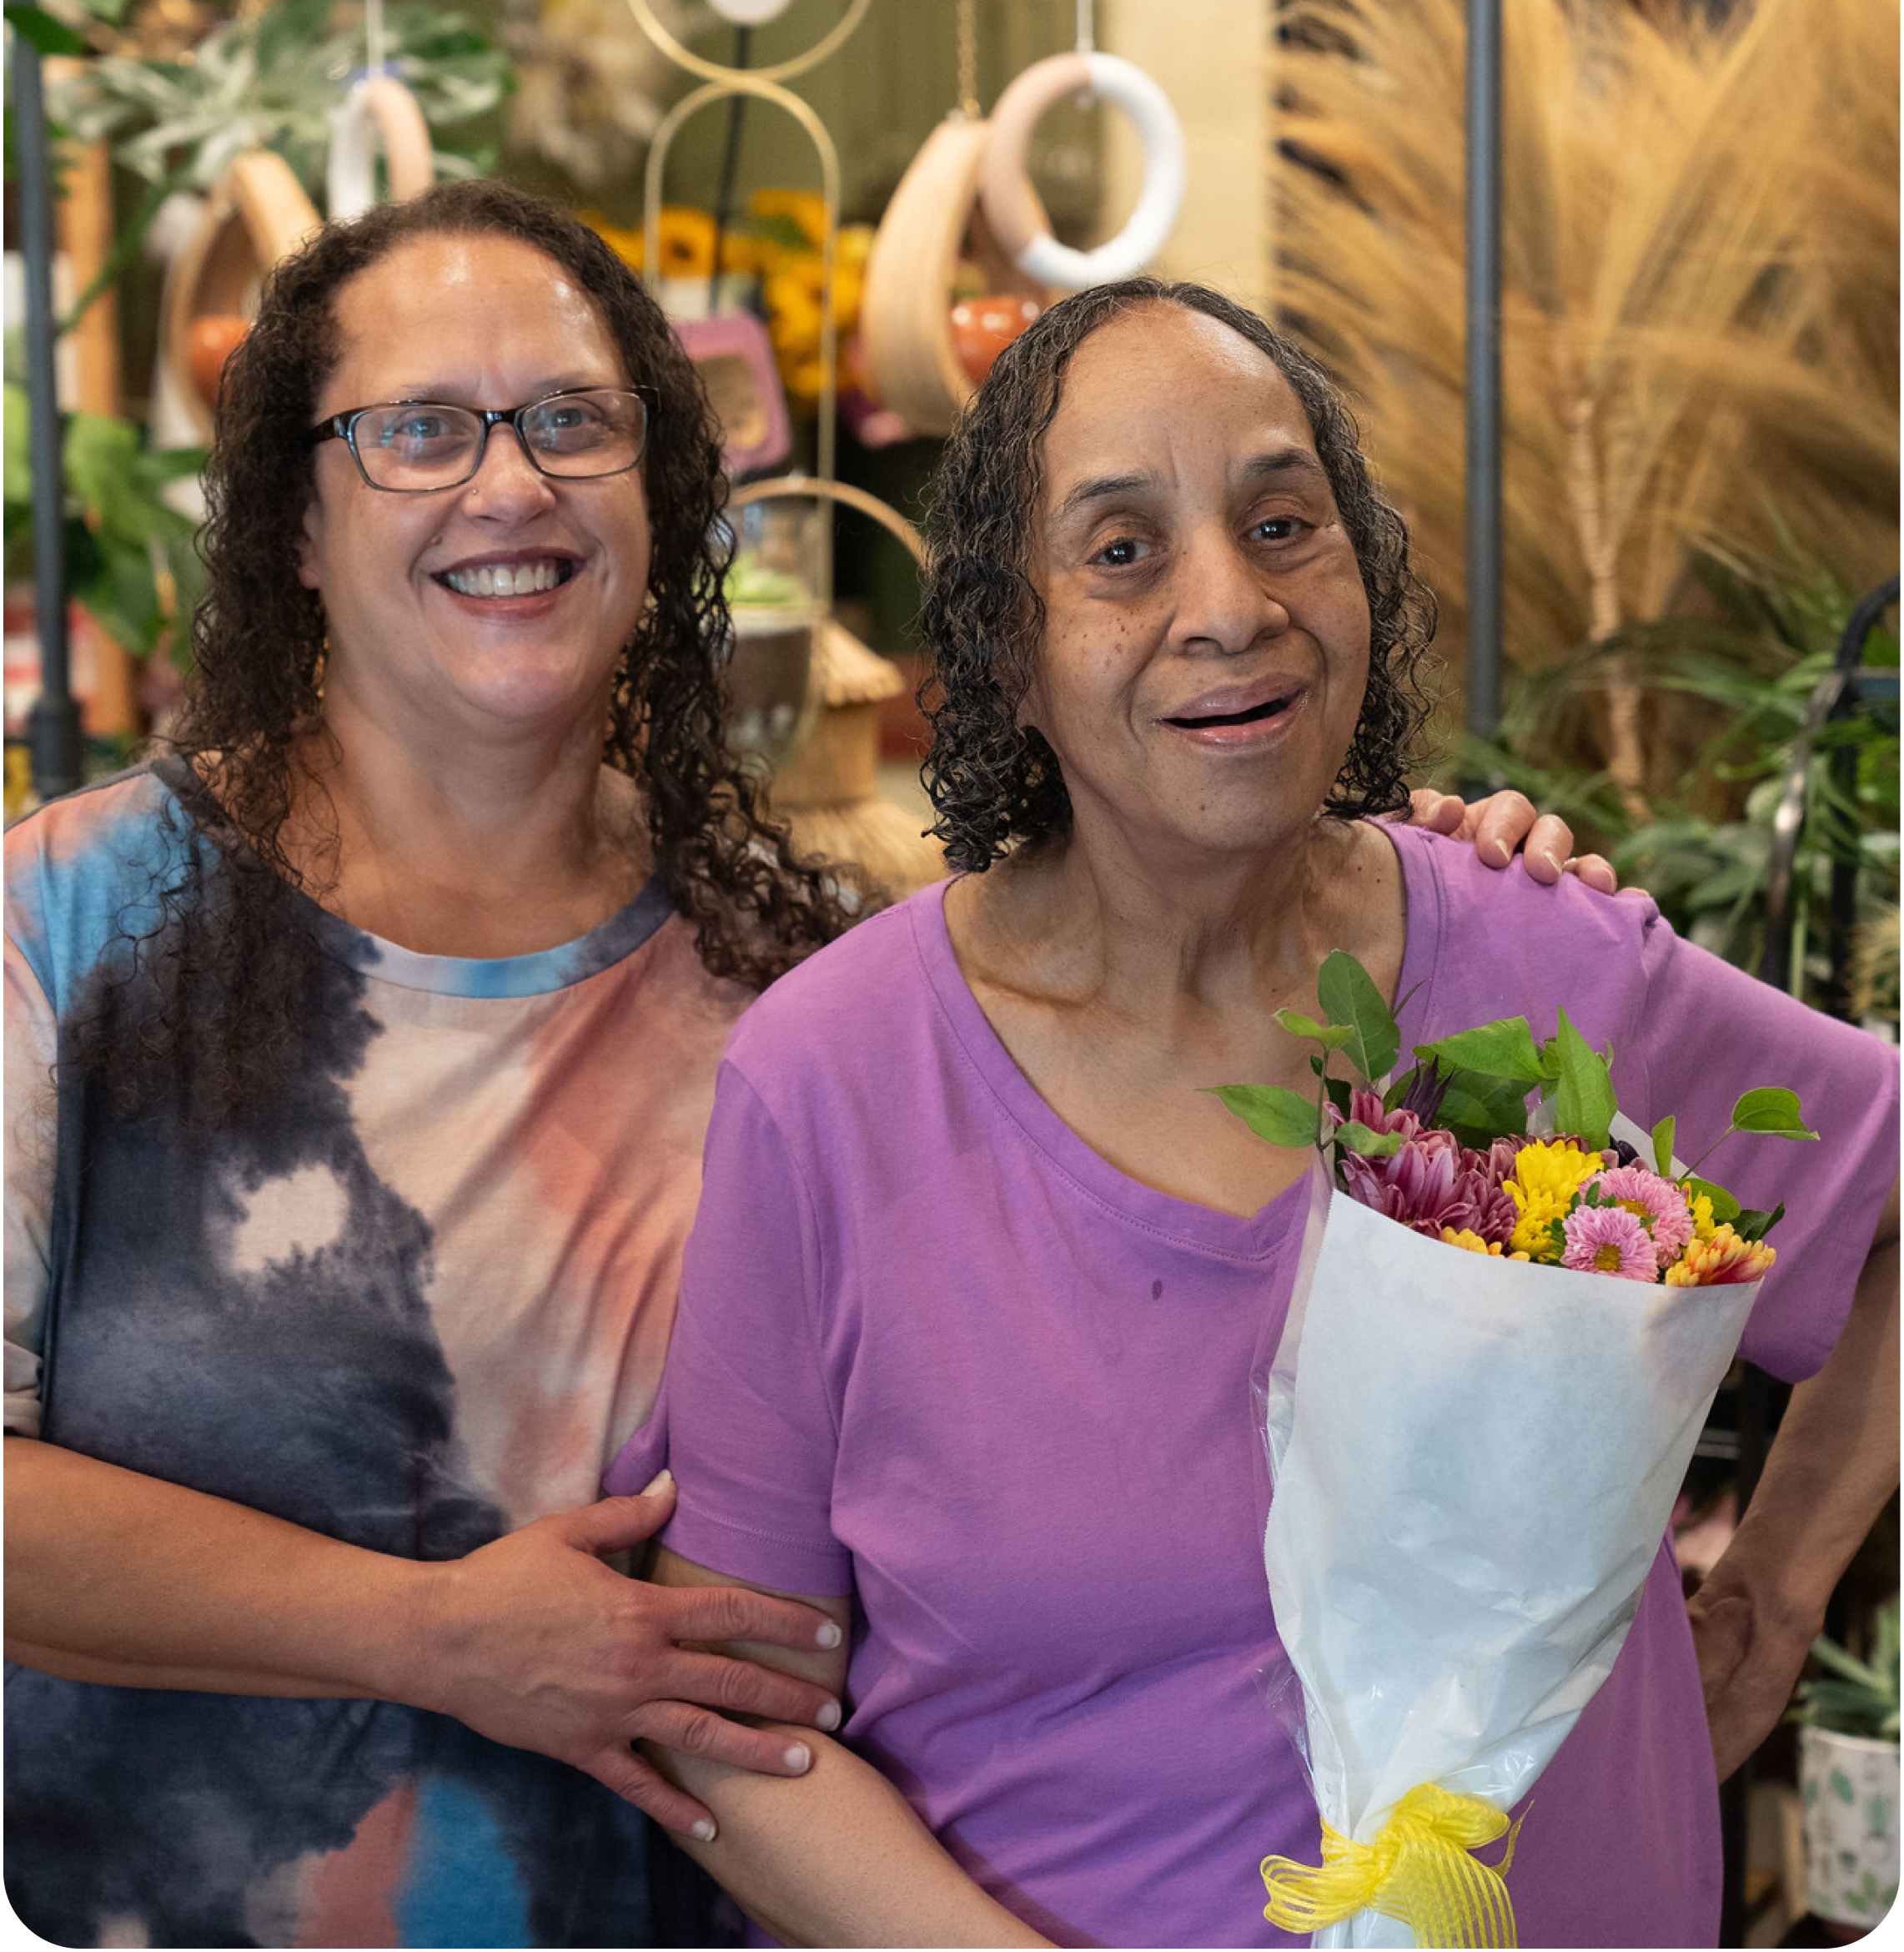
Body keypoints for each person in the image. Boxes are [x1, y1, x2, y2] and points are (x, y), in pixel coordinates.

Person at [1, 190, 1588, 1949]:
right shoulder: (66, 926)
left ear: (664, 494)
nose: (510, 484)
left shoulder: (814, 979)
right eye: (421, 431)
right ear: (296, 517)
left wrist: (1422, 868)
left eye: (572, 420)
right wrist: (424, 1630)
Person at [612, 279, 1901, 1949]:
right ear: (1001, 650)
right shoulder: (833, 1084)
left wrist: (1775, 1604)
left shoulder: (1537, 954)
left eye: (1284, 521)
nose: (1232, 604)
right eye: (1122, 549)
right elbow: (736, 1718)